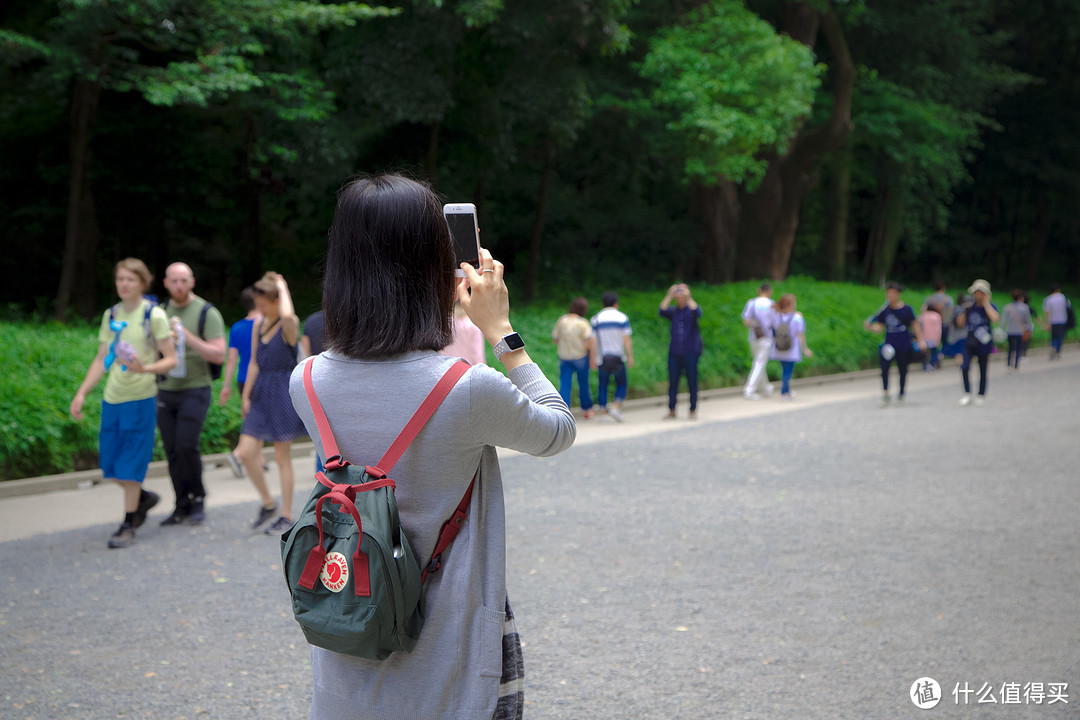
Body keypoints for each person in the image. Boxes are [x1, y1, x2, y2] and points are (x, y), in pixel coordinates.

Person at [288, 174, 575, 720]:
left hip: (350, 628)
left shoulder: (307, 381)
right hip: (450, 653)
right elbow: (557, 428)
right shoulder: (467, 389)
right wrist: (502, 332)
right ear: (430, 268)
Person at [69, 259, 177, 548]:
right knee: (110, 465)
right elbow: (100, 357)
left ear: (142, 282)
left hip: (141, 398)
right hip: (112, 398)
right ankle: (142, 498)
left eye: (130, 279)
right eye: (120, 279)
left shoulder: (153, 315)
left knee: (129, 464)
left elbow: (171, 358)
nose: (124, 285)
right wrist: (81, 393)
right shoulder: (112, 314)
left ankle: (128, 523)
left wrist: (146, 369)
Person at [236, 272, 308, 535]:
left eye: (265, 303)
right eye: (258, 303)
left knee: (281, 456)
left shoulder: (288, 324)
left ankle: (287, 515)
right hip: (261, 392)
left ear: (278, 300)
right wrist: (245, 396)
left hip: (282, 392)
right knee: (245, 452)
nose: (260, 308)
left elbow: (288, 316)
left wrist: (282, 284)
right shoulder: (259, 325)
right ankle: (268, 503)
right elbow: (255, 362)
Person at [157, 262, 226, 526]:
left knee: (187, 444)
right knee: (172, 449)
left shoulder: (206, 312)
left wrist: (187, 336)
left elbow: (218, 353)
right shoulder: (159, 313)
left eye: (183, 280)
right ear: (165, 283)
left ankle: (198, 497)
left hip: (196, 388)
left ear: (192, 282)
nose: (179, 286)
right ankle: (180, 503)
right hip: (165, 389)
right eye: (174, 281)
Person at [864, 282, 925, 407]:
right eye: (888, 293)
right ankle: (886, 392)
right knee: (885, 368)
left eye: (892, 293)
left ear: (898, 294)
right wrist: (870, 326)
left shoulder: (906, 309)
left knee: (903, 369)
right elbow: (879, 328)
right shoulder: (885, 310)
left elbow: (914, 325)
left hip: (904, 344)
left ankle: (901, 392)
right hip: (889, 345)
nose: (890, 295)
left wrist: (921, 340)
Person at [221, 287, 261, 477]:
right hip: (260, 378)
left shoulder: (236, 327)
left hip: (242, 379)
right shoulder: (265, 325)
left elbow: (231, 360)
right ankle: (238, 455)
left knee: (253, 417)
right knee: (257, 418)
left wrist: (226, 385)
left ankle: (258, 459)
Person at [659, 283, 703, 419]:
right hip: (675, 352)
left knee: (692, 382)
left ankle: (692, 410)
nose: (680, 294)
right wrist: (669, 295)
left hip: (691, 351)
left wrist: (688, 296)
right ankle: (672, 410)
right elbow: (662, 310)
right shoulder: (673, 311)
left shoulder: (692, 310)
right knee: (673, 383)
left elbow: (698, 312)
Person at [590, 291, 634, 422]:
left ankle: (603, 413)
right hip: (618, 357)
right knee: (622, 384)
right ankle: (616, 405)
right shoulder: (622, 318)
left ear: (603, 304)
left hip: (602, 358)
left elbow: (593, 340)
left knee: (603, 385)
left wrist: (592, 358)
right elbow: (626, 339)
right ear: (616, 303)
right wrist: (630, 356)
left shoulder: (596, 319)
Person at [956, 279, 1000, 406]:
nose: (978, 295)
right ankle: (967, 393)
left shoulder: (990, 307)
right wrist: (964, 310)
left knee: (983, 369)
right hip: (970, 342)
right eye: (976, 293)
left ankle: (981, 394)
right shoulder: (969, 307)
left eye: (981, 293)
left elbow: (995, 318)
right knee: (964, 366)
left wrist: (986, 304)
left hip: (984, 343)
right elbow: (959, 323)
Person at [551, 297, 595, 418]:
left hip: (564, 357)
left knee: (565, 384)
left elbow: (555, 339)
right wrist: (592, 358)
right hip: (580, 357)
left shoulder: (562, 320)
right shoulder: (583, 323)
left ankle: (564, 411)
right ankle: (587, 409)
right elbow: (588, 342)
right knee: (583, 384)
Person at [766, 293, 812, 401]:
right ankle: (783, 393)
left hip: (778, 348)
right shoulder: (797, 318)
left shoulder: (776, 317)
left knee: (784, 369)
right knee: (788, 371)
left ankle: (787, 391)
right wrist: (805, 348)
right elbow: (801, 334)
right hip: (792, 349)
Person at [741, 283, 774, 400]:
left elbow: (746, 321)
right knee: (759, 363)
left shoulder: (751, 303)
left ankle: (766, 388)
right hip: (766, 337)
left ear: (759, 290)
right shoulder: (771, 304)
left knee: (759, 362)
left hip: (753, 336)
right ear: (769, 291)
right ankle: (749, 389)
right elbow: (775, 322)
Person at [442, 301, 487, 366]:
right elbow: (478, 356)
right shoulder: (473, 325)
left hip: (446, 369)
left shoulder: (445, 323)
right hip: (467, 371)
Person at [1002, 289, 1034, 372]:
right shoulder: (1025, 307)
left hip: (1010, 331)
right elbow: (1028, 321)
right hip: (1020, 331)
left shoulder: (1008, 307)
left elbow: (1003, 321)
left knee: (1010, 348)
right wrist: (1029, 330)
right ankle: (1016, 366)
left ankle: (1009, 364)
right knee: (1018, 348)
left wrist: (1002, 329)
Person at [1042, 283, 1070, 359]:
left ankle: (1053, 347)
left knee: (1053, 336)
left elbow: (1047, 312)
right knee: (1060, 336)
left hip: (1053, 321)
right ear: (1058, 289)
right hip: (1062, 320)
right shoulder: (1063, 297)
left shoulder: (1048, 299)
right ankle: (1057, 351)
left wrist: (1047, 323)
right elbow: (1068, 308)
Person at [917, 304, 942, 371]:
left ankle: (925, 366)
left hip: (924, 338)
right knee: (934, 352)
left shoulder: (923, 316)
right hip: (934, 338)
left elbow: (917, 324)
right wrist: (938, 338)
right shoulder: (937, 316)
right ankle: (932, 365)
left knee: (924, 353)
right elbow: (938, 329)